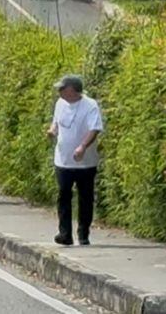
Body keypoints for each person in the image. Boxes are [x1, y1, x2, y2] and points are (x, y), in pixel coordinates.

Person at [48, 75, 103, 246]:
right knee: (63, 195)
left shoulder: (90, 105)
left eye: (62, 88)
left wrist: (82, 147)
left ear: (72, 90)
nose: (59, 91)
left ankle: (83, 233)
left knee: (85, 197)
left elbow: (94, 129)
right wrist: (52, 131)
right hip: (63, 159)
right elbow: (56, 123)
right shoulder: (60, 103)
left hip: (85, 162)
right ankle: (65, 233)